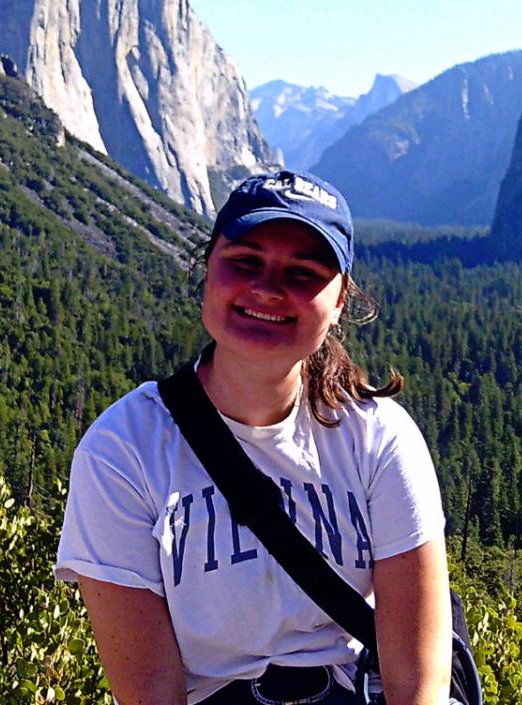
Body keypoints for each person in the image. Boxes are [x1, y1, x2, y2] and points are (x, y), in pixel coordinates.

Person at [55, 170, 451, 705]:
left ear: (339, 305)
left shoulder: (379, 438)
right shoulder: (123, 451)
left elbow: (418, 688)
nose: (267, 288)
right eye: (244, 262)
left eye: (304, 274)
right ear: (206, 272)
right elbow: (150, 693)